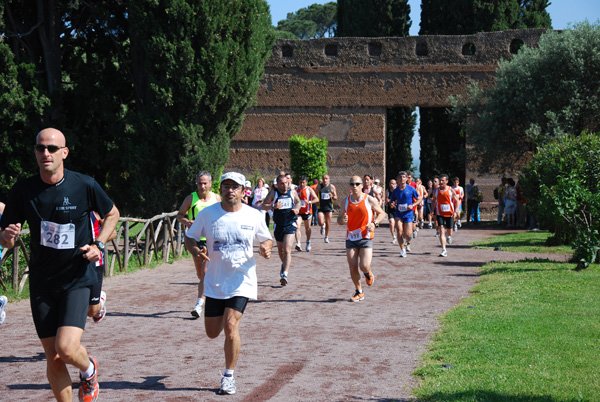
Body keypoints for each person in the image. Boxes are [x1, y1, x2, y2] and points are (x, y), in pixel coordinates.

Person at [0, 128, 120, 402]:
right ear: (35, 152)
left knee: (66, 348)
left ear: (64, 153)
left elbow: (112, 214)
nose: (46, 153)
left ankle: (88, 369)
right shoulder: (23, 190)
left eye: (52, 149)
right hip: (42, 282)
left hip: (76, 277)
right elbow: (4, 239)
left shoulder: (84, 184)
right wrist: (6, 237)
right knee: (53, 357)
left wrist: (98, 243)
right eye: (41, 148)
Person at [184, 172, 273, 395]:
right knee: (212, 333)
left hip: (242, 281)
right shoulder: (208, 214)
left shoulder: (253, 215)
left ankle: (229, 376)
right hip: (215, 282)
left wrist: (267, 247)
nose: (230, 190)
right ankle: (224, 323)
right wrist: (195, 250)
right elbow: (190, 236)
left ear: (244, 191)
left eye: (235, 187)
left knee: (231, 326)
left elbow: (266, 238)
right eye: (226, 186)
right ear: (221, 189)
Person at [176, 171, 221, 319]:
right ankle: (206, 291)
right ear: (196, 183)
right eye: (200, 183)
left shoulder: (216, 198)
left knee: (206, 272)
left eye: (205, 183)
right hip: (195, 240)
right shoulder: (191, 198)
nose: (202, 186)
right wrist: (187, 222)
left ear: (210, 184)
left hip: (212, 240)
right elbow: (179, 214)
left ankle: (199, 304)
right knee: (201, 274)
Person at [337, 176, 385, 302]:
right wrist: (342, 220)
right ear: (349, 186)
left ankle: (368, 273)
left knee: (363, 265)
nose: (354, 186)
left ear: (362, 185)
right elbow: (339, 218)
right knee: (352, 266)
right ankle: (359, 291)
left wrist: (374, 223)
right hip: (351, 237)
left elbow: (382, 213)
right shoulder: (345, 202)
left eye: (357, 184)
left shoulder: (369, 199)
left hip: (365, 236)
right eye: (352, 184)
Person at [262, 174, 301, 285]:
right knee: (281, 251)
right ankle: (284, 265)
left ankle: (285, 274)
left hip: (290, 224)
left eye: (286, 183)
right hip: (278, 225)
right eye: (282, 184)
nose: (285, 186)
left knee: (287, 250)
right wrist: (272, 206)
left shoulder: (292, 192)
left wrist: (297, 209)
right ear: (277, 184)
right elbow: (263, 205)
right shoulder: (273, 193)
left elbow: (298, 202)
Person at [87, 211, 117, 324]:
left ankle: (100, 299)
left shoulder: (95, 211)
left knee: (91, 311)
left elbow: (113, 233)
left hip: (95, 263)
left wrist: (97, 242)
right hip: (74, 262)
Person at [389, 171, 422, 258]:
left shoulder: (411, 189)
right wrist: (392, 204)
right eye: (401, 177)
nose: (402, 178)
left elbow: (419, 198)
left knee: (408, 234)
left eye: (404, 177)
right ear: (398, 179)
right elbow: (391, 201)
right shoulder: (395, 191)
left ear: (407, 178)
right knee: (399, 231)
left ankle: (408, 240)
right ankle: (402, 250)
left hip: (408, 214)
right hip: (398, 213)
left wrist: (413, 205)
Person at [433, 174, 460, 257]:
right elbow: (434, 201)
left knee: (449, 231)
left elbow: (457, 201)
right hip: (440, 213)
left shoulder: (451, 190)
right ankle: (444, 249)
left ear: (447, 181)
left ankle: (449, 236)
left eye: (442, 180)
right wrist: (432, 210)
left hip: (449, 213)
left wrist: (456, 211)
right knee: (441, 229)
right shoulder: (436, 191)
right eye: (440, 180)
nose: (441, 182)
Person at [294, 176, 319, 252]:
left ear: (306, 182)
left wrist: (310, 202)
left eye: (303, 182)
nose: (302, 184)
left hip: (307, 212)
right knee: (297, 227)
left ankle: (308, 242)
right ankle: (298, 243)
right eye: (300, 182)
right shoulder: (296, 189)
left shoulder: (309, 189)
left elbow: (316, 199)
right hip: (298, 212)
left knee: (307, 228)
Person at [316, 174, 338, 243]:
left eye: (326, 179)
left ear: (329, 179)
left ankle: (326, 237)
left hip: (329, 207)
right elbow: (314, 194)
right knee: (320, 222)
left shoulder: (332, 187)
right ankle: (322, 226)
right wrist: (316, 201)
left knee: (328, 222)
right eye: (324, 179)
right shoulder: (319, 187)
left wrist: (332, 196)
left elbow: (336, 197)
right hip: (321, 207)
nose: (325, 180)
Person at [385, 178, 398, 244]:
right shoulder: (387, 191)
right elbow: (385, 199)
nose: (391, 185)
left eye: (393, 183)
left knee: (398, 225)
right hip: (390, 209)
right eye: (390, 183)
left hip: (397, 209)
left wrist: (395, 203)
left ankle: (400, 236)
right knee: (391, 223)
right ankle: (394, 236)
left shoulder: (398, 191)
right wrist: (387, 201)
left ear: (396, 184)